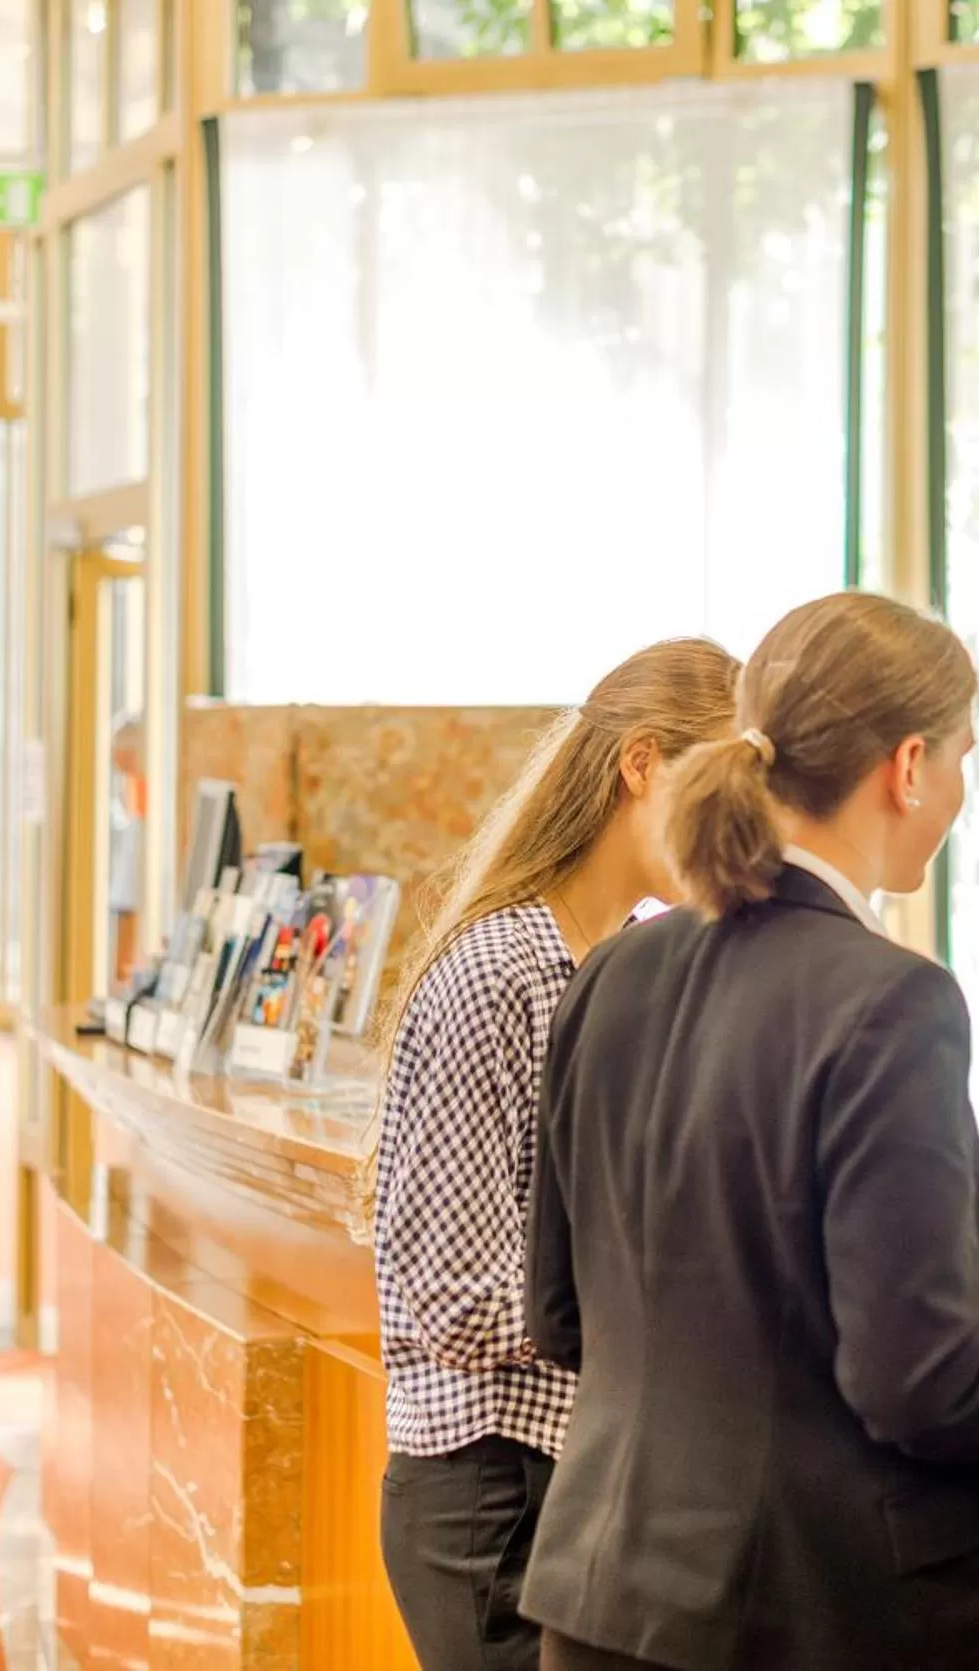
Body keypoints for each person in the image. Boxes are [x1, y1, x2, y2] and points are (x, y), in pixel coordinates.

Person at [521, 592, 979, 1671]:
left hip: (601, 1607)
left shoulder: (618, 968)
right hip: (807, 1622)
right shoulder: (894, 1002)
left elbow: (562, 1317)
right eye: (962, 759)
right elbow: (927, 1389)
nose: (958, 794)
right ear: (908, 766)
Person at [373, 637, 741, 1671]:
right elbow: (452, 1297)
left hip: (568, 1479)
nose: (740, 832)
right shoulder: (502, 969)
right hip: (488, 1496)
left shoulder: (614, 961)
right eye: (722, 787)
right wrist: (670, 1311)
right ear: (642, 766)